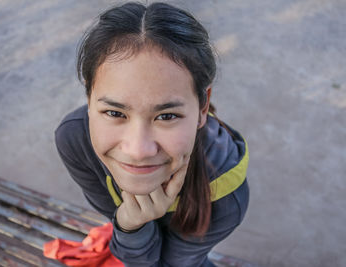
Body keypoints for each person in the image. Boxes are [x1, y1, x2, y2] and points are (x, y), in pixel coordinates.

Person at [55, 2, 249, 267]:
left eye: (167, 116)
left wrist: (130, 232)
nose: (138, 150)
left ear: (203, 106)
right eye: (114, 113)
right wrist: (129, 224)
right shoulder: (74, 139)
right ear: (89, 99)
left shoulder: (226, 196)